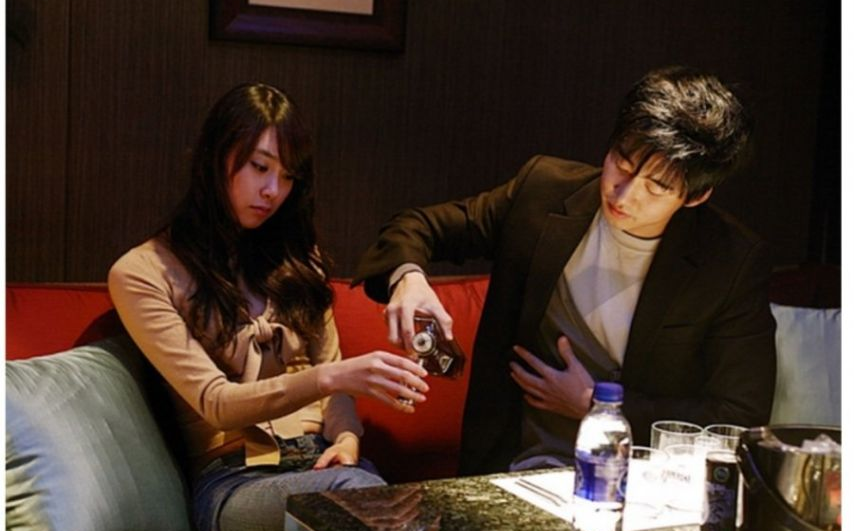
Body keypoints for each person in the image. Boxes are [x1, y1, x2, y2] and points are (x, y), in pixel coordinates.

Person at [353, 66, 776, 475]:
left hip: (651, 474)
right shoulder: (544, 193)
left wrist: (598, 404)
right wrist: (407, 278)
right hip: (523, 462)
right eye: (623, 163)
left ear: (696, 197)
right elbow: (418, 226)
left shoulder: (729, 261)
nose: (624, 195)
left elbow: (739, 415)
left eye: (656, 186)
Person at [108, 83, 430, 531]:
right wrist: (332, 377)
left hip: (327, 463)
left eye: (288, 176)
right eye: (260, 167)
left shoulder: (297, 260)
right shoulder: (142, 272)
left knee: (401, 506)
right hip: (234, 479)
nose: (273, 191)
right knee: (358, 498)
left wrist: (347, 438)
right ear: (216, 156)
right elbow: (216, 402)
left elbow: (329, 366)